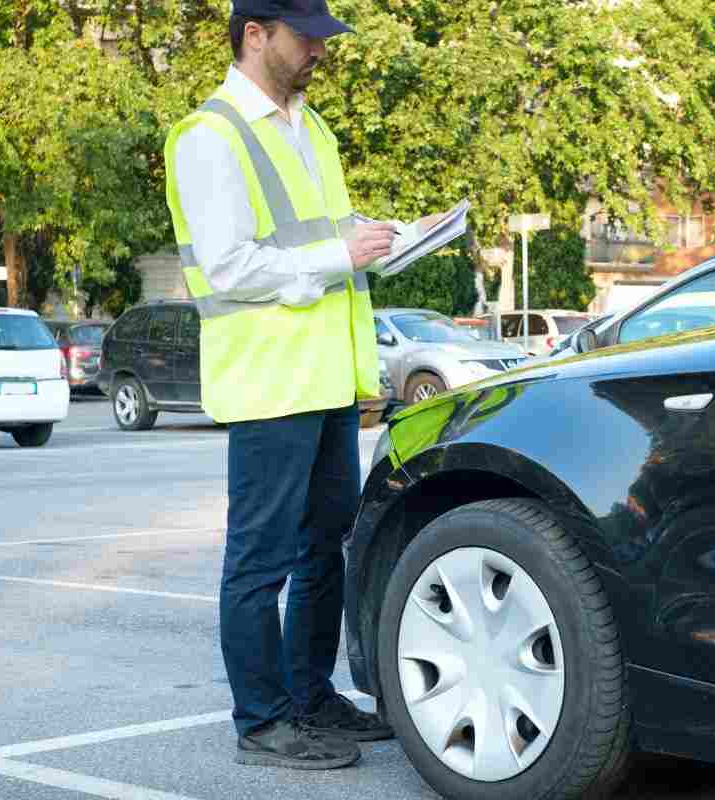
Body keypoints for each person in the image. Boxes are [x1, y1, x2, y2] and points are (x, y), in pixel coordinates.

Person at [163, 0, 443, 771]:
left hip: (325, 380)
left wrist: (392, 239)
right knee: (260, 561)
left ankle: (311, 699)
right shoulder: (209, 138)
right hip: (266, 382)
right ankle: (261, 723)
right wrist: (337, 256)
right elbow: (226, 267)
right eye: (306, 35)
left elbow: (330, 239)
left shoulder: (308, 127)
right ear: (255, 34)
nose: (320, 47)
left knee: (325, 549)